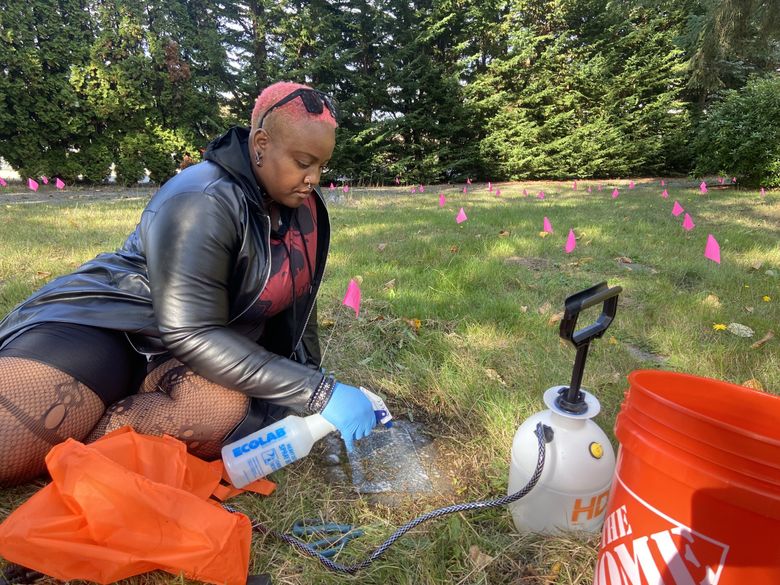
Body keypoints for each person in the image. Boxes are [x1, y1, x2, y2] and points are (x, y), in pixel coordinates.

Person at [0, 81, 377, 487]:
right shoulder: (204, 197)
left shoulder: (305, 214)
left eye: (321, 165)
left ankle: (92, 436)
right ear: (262, 143)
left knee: (221, 414)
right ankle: (84, 411)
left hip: (181, 358)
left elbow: (300, 311)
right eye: (303, 162)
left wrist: (307, 390)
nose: (313, 179)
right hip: (107, 326)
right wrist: (318, 392)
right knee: (11, 448)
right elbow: (190, 329)